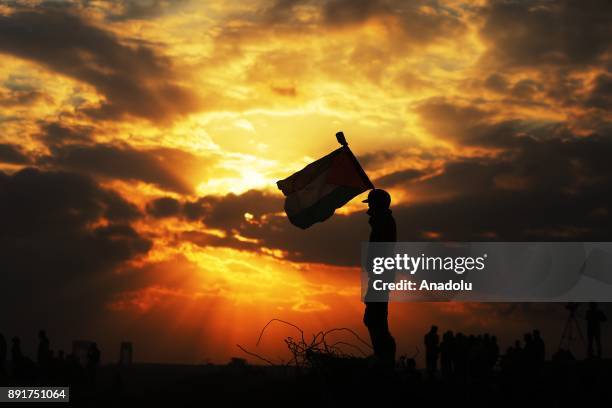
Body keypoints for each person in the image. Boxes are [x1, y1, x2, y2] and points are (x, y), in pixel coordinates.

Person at [362, 189, 397, 369]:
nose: (368, 208)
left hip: (381, 276)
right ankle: (382, 355)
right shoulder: (383, 220)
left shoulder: (384, 221)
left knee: (374, 317)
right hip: (380, 276)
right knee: (374, 317)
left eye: (370, 204)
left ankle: (384, 357)